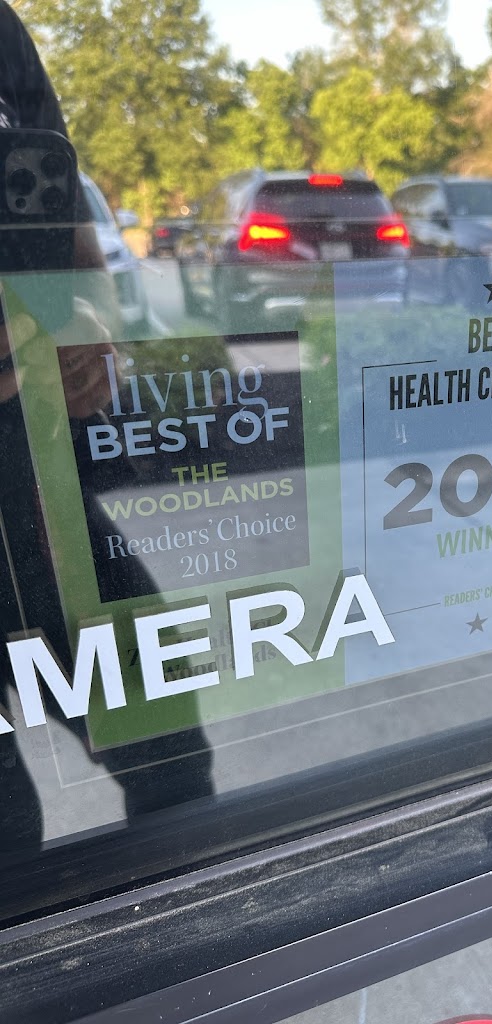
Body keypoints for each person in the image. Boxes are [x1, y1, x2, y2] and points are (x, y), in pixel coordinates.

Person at [0, 0, 214, 855]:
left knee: (172, 756)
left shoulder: (0, 33)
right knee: (9, 829)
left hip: (33, 490)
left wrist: (87, 330)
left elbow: (76, 254)